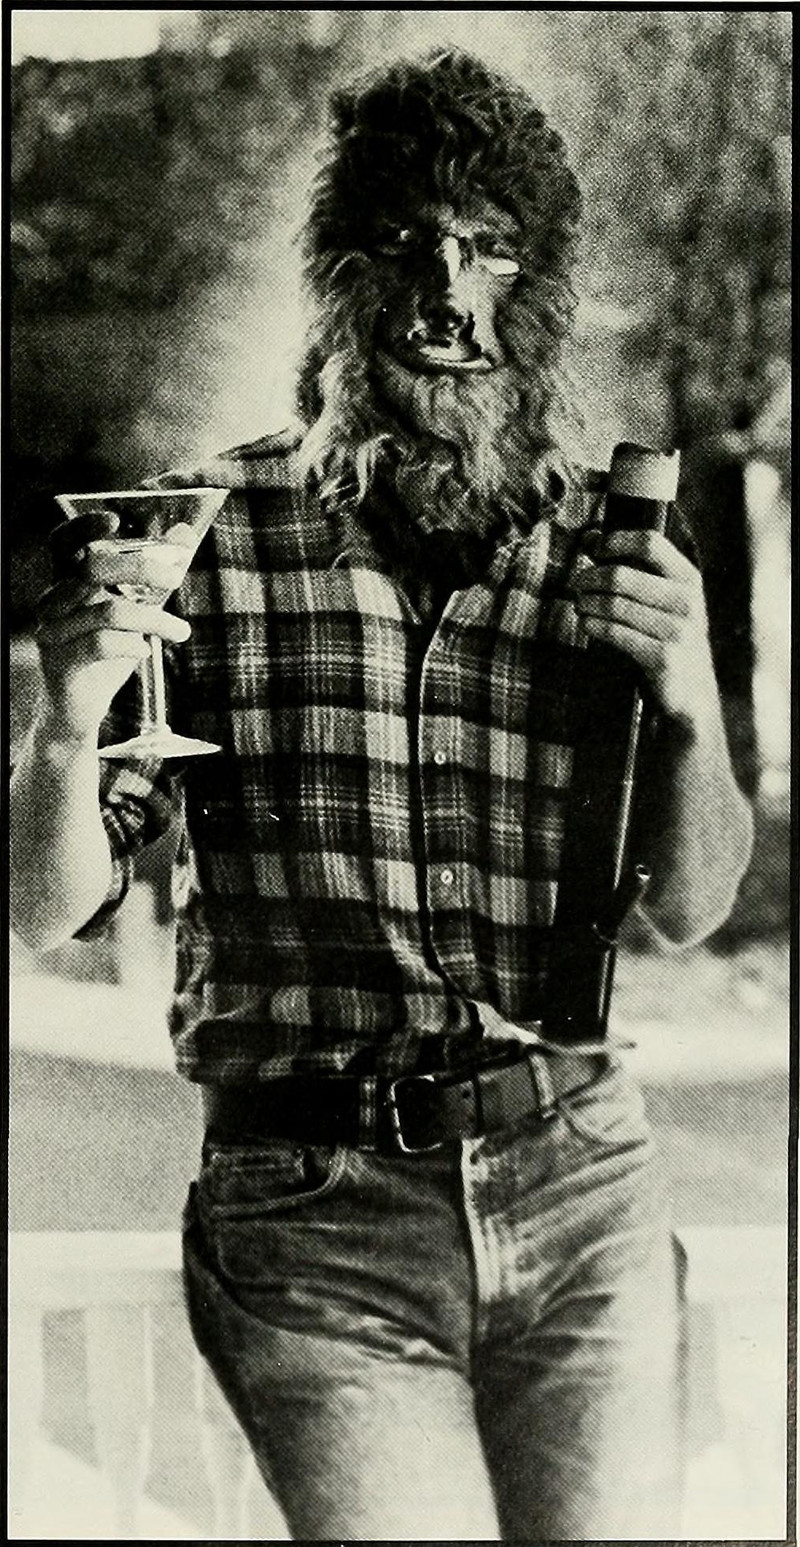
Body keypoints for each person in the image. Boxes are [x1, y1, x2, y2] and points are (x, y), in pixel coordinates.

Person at [10, 49, 753, 1542]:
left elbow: (689, 908)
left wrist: (690, 700)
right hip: (310, 1209)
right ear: (339, 279)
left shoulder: (609, 548)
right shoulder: (206, 538)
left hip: (579, 1172)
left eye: (492, 250)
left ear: (539, 295)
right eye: (406, 243)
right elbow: (44, 910)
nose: (447, 295)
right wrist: (67, 720)